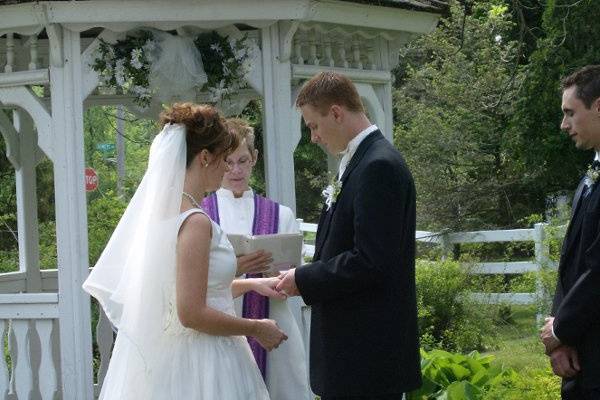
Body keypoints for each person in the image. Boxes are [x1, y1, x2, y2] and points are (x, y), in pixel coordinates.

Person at [83, 103, 288, 400]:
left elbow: (191, 290)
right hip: (204, 359)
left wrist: (251, 283)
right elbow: (191, 313)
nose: (228, 169)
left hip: (167, 358)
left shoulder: (163, 217)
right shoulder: (195, 222)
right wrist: (256, 327)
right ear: (205, 157)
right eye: (223, 160)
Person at [277, 71, 422, 399]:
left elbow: (371, 260)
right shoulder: (361, 161)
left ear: (337, 113)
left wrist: (305, 278)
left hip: (366, 354)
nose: (313, 137)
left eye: (314, 125)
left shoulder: (378, 167)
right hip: (354, 354)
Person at [201, 118, 311, 400]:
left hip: (275, 323)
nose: (235, 170)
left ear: (254, 159)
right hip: (222, 327)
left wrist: (283, 280)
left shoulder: (281, 215)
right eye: (228, 162)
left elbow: (294, 277)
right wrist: (236, 269)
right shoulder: (201, 215)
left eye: (243, 160)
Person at [540, 65, 600, 400]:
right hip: (580, 359)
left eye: (569, 113)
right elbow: (570, 264)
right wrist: (558, 340)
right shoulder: (590, 175)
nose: (564, 125)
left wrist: (561, 329)